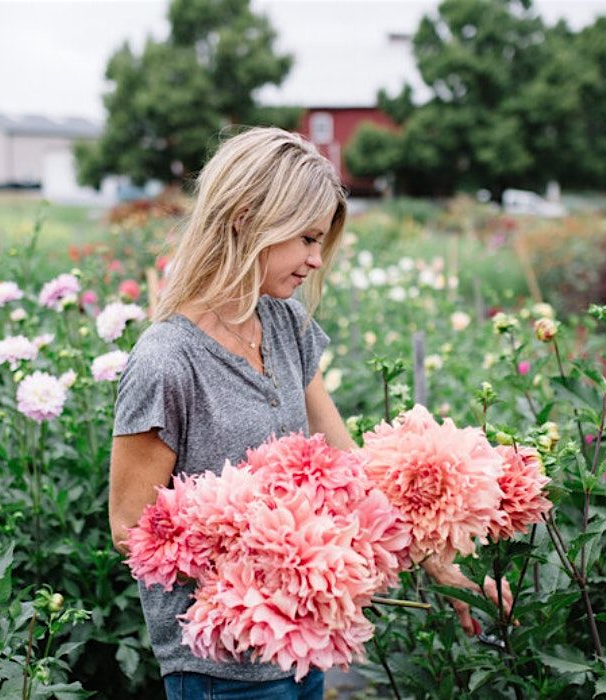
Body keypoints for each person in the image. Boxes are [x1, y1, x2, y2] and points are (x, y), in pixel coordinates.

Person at [107, 126, 504, 700]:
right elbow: (130, 529)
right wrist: (270, 558)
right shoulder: (166, 361)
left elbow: (349, 467)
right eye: (307, 239)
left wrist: (437, 564)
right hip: (221, 671)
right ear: (246, 216)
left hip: (301, 648)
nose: (317, 260)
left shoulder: (287, 327)